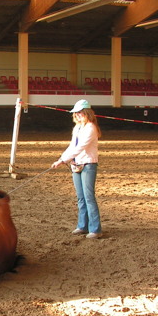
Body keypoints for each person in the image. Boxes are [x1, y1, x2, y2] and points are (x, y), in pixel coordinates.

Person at [51, 99, 102, 239]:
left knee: (89, 197)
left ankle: (95, 229)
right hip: (76, 164)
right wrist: (61, 158)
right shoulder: (77, 128)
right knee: (81, 198)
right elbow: (72, 146)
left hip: (88, 164)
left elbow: (80, 147)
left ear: (87, 113)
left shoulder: (91, 128)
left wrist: (63, 160)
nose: (78, 115)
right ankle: (82, 226)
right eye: (76, 113)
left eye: (80, 112)